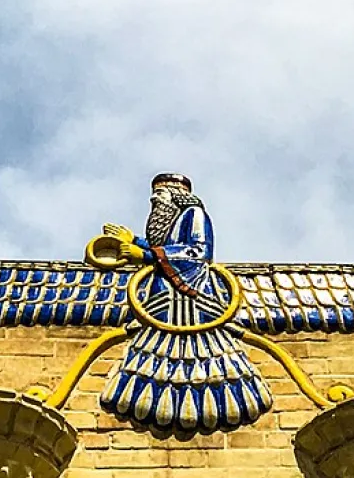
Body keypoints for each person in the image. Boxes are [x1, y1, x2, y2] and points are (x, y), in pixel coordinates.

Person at [99, 173, 272, 433]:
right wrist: (134, 241)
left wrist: (144, 255)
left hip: (193, 299)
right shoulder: (171, 221)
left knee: (203, 357)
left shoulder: (194, 215)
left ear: (175, 194)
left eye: (160, 193)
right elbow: (167, 247)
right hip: (162, 301)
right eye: (154, 194)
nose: (154, 198)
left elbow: (196, 253)